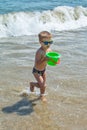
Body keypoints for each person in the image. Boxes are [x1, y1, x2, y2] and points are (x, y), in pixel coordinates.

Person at [30, 31, 53, 102]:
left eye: (50, 42)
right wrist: (44, 59)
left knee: (42, 85)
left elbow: (50, 61)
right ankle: (41, 95)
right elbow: (37, 64)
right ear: (40, 42)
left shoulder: (49, 50)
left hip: (43, 70)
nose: (48, 44)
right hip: (36, 71)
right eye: (46, 43)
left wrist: (54, 60)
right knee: (43, 85)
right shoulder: (39, 52)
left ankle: (36, 88)